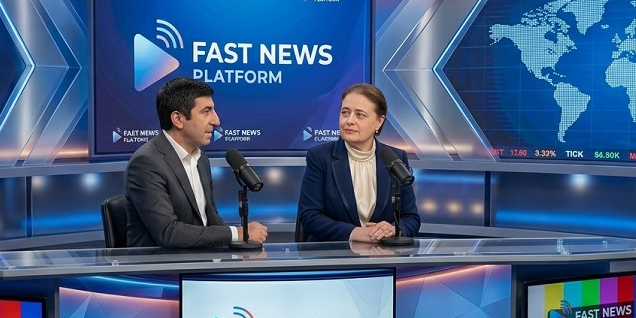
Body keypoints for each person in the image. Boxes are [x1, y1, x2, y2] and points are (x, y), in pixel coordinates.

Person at [125, 77, 268, 248]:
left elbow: (211, 218)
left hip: (200, 257)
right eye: (206, 111)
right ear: (178, 119)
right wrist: (238, 233)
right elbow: (168, 233)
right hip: (161, 263)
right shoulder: (146, 163)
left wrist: (239, 244)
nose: (216, 121)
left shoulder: (201, 158)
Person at [297, 83, 421, 242]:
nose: (349, 120)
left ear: (379, 122)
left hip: (383, 252)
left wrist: (394, 229)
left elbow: (411, 218)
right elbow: (309, 216)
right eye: (345, 112)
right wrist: (355, 233)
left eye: (359, 115)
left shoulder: (395, 157)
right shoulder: (320, 157)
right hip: (333, 251)